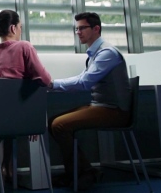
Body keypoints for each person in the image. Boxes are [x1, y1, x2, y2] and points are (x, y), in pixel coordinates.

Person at [48, 12, 131, 191]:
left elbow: (85, 82)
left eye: (82, 28)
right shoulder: (95, 53)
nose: (78, 32)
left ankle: (82, 173)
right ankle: (80, 171)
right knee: (52, 121)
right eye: (76, 28)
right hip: (102, 107)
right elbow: (84, 78)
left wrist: (52, 84)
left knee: (59, 125)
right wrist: (53, 84)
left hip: (115, 111)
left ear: (96, 29)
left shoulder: (107, 53)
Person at [0, 9, 52, 186]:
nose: (20, 31)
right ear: (13, 28)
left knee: (5, 116)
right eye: (19, 27)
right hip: (20, 118)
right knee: (20, 103)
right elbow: (45, 80)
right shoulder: (24, 47)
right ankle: (7, 166)